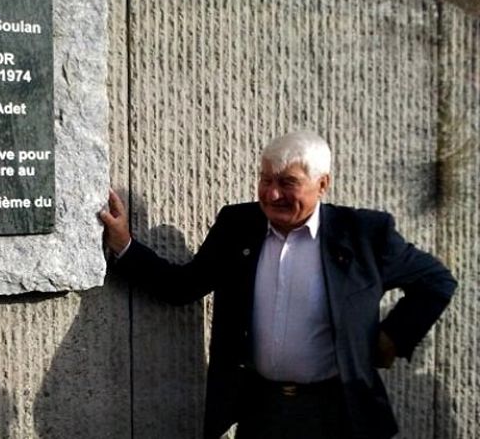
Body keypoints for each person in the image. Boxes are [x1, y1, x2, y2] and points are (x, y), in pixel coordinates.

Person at [99, 131, 456, 439]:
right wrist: (125, 245)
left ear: (322, 184)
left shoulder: (363, 235)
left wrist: (391, 337)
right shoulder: (238, 225)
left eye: (287, 183)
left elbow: (435, 281)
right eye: (265, 180)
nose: (271, 195)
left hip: (337, 413)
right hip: (261, 411)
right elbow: (183, 287)